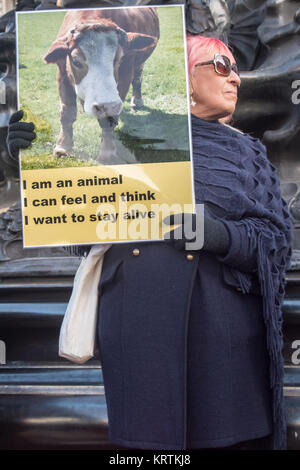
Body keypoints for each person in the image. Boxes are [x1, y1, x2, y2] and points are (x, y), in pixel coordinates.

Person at [7, 34, 292, 450]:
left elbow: (276, 242)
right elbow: (72, 224)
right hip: (137, 329)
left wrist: (220, 235)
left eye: (236, 70)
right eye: (221, 65)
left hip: (223, 333)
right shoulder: (118, 135)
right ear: (186, 78)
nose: (236, 80)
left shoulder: (246, 152)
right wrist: (22, 157)